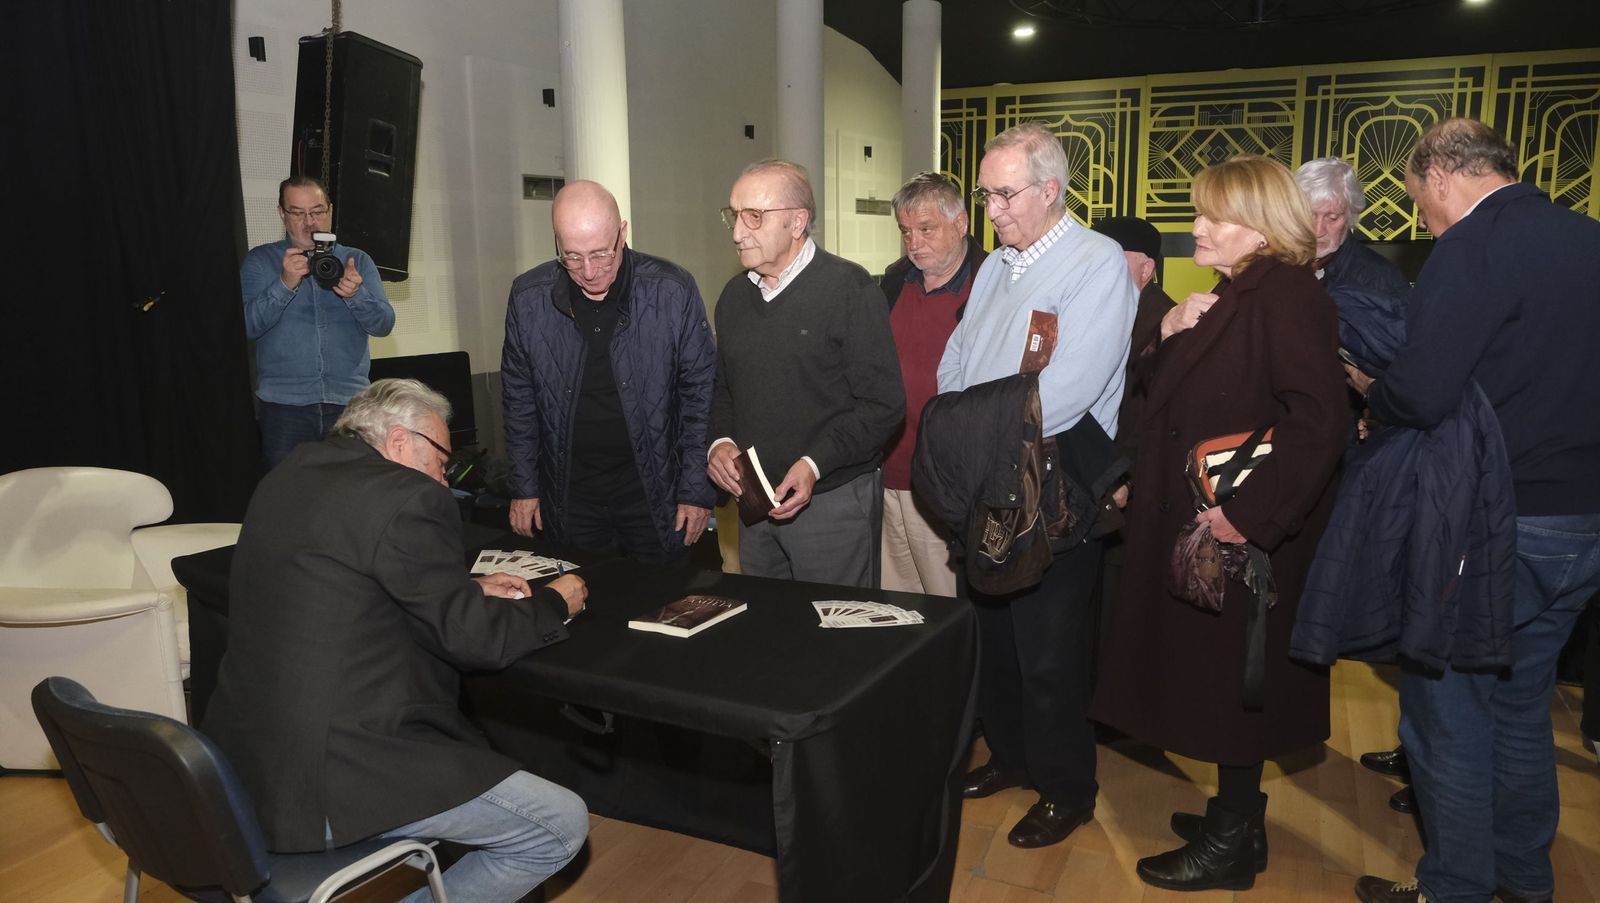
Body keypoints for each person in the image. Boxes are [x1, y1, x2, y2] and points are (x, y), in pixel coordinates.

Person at [203, 378, 591, 902]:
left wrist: (467, 586)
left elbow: (342, 578)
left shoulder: (289, 474)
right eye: (442, 460)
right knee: (559, 825)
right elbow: (474, 640)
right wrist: (553, 604)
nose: (444, 479)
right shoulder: (408, 495)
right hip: (335, 776)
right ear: (400, 441)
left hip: (240, 772)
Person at [1348, 118, 1600, 903]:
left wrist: (1372, 392)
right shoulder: (1589, 238)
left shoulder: (1471, 246)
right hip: (1584, 524)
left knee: (1445, 711)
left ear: (1442, 174)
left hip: (1495, 521)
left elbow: (1423, 390)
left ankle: (1453, 887)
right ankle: (1523, 878)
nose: (1423, 217)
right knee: (1522, 707)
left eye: (1417, 198)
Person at [1089, 154, 1348, 891]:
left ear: (1261, 229)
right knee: (1219, 683)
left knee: (1237, 688)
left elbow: (1320, 423)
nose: (1196, 227)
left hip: (1239, 536)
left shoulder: (1287, 295)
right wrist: (1167, 327)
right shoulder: (1236, 291)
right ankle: (1240, 820)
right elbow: (1156, 390)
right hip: (1202, 526)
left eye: (1213, 216)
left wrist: (1249, 516)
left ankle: (1232, 839)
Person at [936, 123, 1136, 848]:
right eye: (986, 194)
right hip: (988, 475)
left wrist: (976, 428)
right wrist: (961, 424)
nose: (990, 209)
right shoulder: (997, 265)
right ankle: (1013, 756)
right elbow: (955, 360)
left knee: (1050, 651)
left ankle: (1066, 788)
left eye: (1004, 194)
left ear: (1050, 190)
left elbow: (1073, 388)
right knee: (994, 636)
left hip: (1054, 486)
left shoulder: (1097, 261)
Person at [706, 159, 905, 586]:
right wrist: (720, 442)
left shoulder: (849, 290)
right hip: (755, 506)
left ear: (797, 222)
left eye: (754, 216)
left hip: (832, 503)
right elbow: (724, 389)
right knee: (767, 622)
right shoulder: (734, 297)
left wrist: (815, 464)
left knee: (835, 625)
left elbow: (883, 405)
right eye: (734, 215)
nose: (738, 232)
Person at [502, 180, 717, 564]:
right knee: (584, 595)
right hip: (570, 496)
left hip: (656, 493)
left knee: (663, 595)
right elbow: (519, 401)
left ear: (623, 233)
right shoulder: (528, 297)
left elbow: (701, 396)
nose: (588, 271)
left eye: (601, 254)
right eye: (572, 257)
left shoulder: (671, 290)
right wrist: (525, 488)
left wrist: (695, 490)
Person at [1296, 156, 1419, 814]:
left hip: (1367, 463)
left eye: (1334, 216)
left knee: (1381, 601)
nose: (1321, 228)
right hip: (1313, 457)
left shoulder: (1373, 278)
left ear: (1352, 218)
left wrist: (1377, 406)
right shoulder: (1285, 268)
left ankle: (1420, 752)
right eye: (1310, 214)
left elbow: (1408, 376)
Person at [877, 171, 986, 597]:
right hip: (889, 472)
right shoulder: (894, 281)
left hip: (948, 482)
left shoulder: (991, 284)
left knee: (948, 604)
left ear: (961, 223)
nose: (914, 242)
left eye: (926, 229)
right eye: (906, 231)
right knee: (895, 606)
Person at [241, 175, 395, 470]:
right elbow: (246, 327)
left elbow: (384, 325)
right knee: (290, 493)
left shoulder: (357, 260)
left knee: (353, 490)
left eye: (317, 211)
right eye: (297, 213)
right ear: (282, 213)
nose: (309, 222)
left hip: (350, 405)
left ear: (330, 211)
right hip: (285, 407)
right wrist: (284, 284)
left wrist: (356, 295)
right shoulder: (261, 261)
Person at [1088, 214, 1175, 662]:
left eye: (1114, 258)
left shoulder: (1166, 321)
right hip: (1093, 480)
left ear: (1147, 268)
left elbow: (1152, 417)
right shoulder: (1096, 310)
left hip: (1131, 489)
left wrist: (1124, 477)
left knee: (1120, 606)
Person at [1295, 157, 1411, 296]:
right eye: (1310, 216)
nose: (1319, 230)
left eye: (1332, 218)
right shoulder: (1276, 265)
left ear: (1350, 217)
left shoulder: (1382, 280)